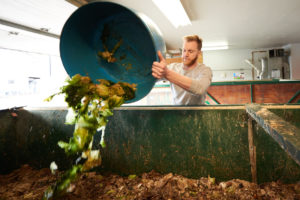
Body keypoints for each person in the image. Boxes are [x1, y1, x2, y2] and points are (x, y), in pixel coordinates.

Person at [152, 35, 212, 105]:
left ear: (199, 53)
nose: (186, 54)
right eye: (184, 50)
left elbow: (200, 89)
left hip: (197, 114)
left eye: (190, 51)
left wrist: (167, 73)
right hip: (177, 113)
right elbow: (150, 78)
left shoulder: (205, 70)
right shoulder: (173, 68)